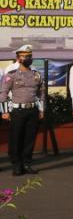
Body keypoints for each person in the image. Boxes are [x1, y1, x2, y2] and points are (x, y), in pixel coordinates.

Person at [1, 45, 45, 175]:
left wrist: (41, 110)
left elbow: (41, 93)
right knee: (16, 138)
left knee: (29, 139)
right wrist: (4, 111)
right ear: (18, 58)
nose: (27, 58)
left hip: (32, 110)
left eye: (29, 56)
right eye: (24, 56)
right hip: (17, 111)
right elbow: (3, 93)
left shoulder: (36, 74)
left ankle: (26, 163)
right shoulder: (11, 74)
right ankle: (16, 165)